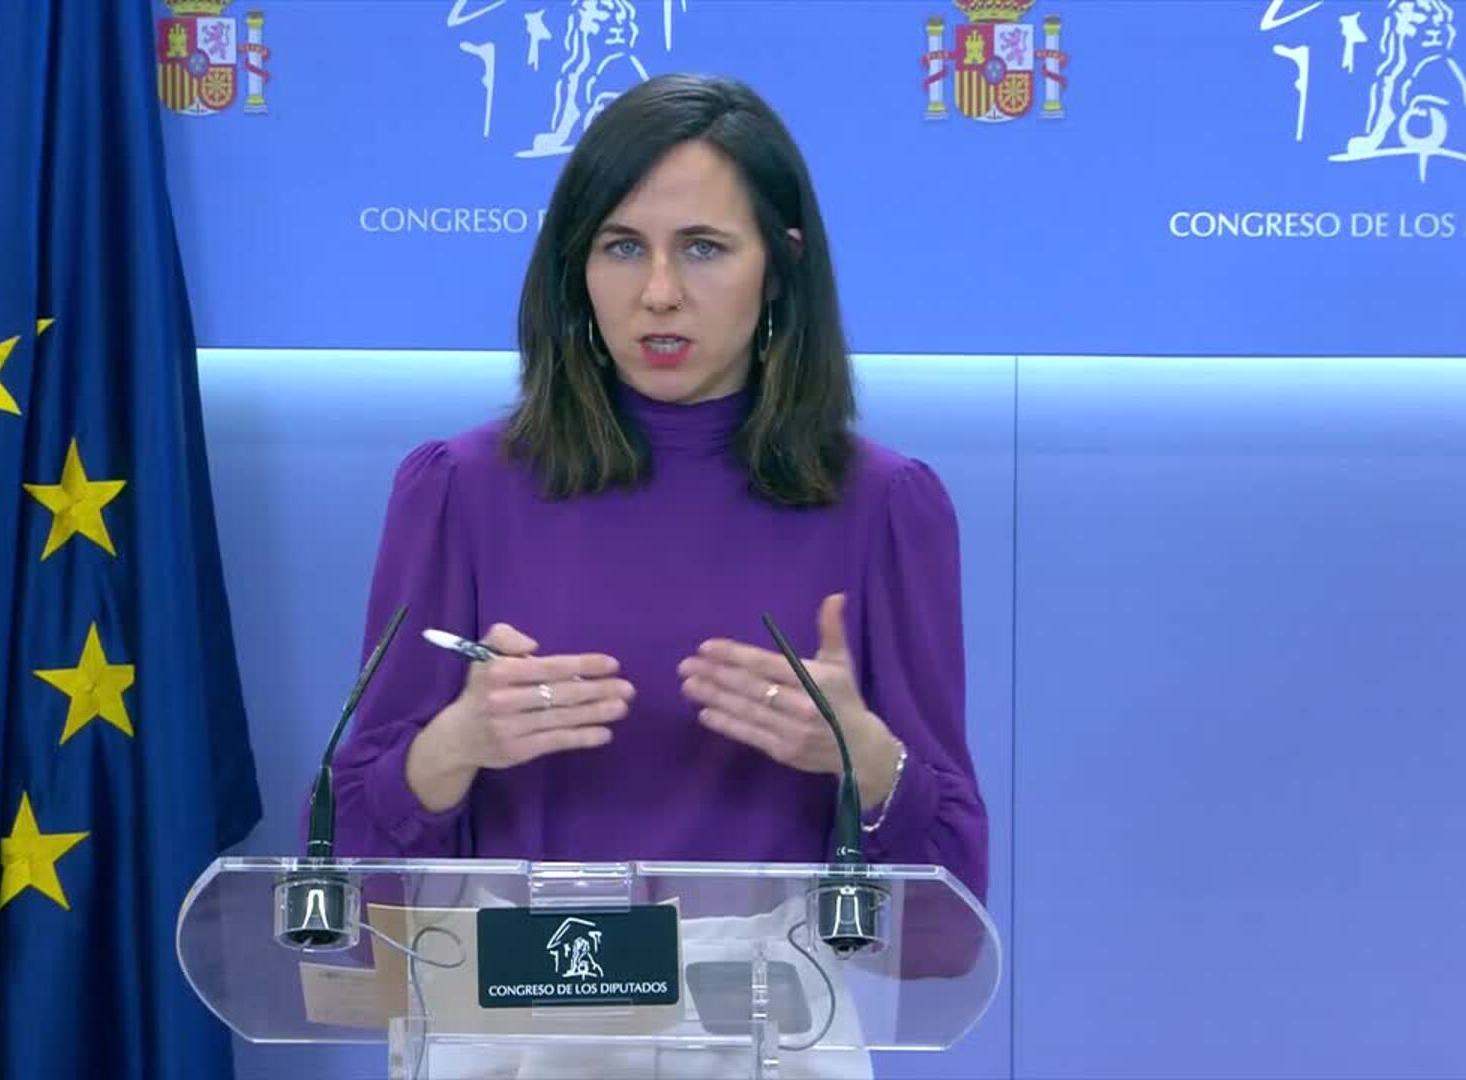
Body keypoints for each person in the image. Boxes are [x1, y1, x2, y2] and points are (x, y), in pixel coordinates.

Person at [328, 73, 987, 904]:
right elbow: (351, 867)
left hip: (776, 983)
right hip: (517, 977)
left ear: (779, 266)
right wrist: (454, 746)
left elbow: (950, 906)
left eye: (703, 248)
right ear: (576, 268)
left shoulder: (885, 506)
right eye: (622, 247)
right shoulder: (459, 491)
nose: (659, 293)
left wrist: (866, 760)